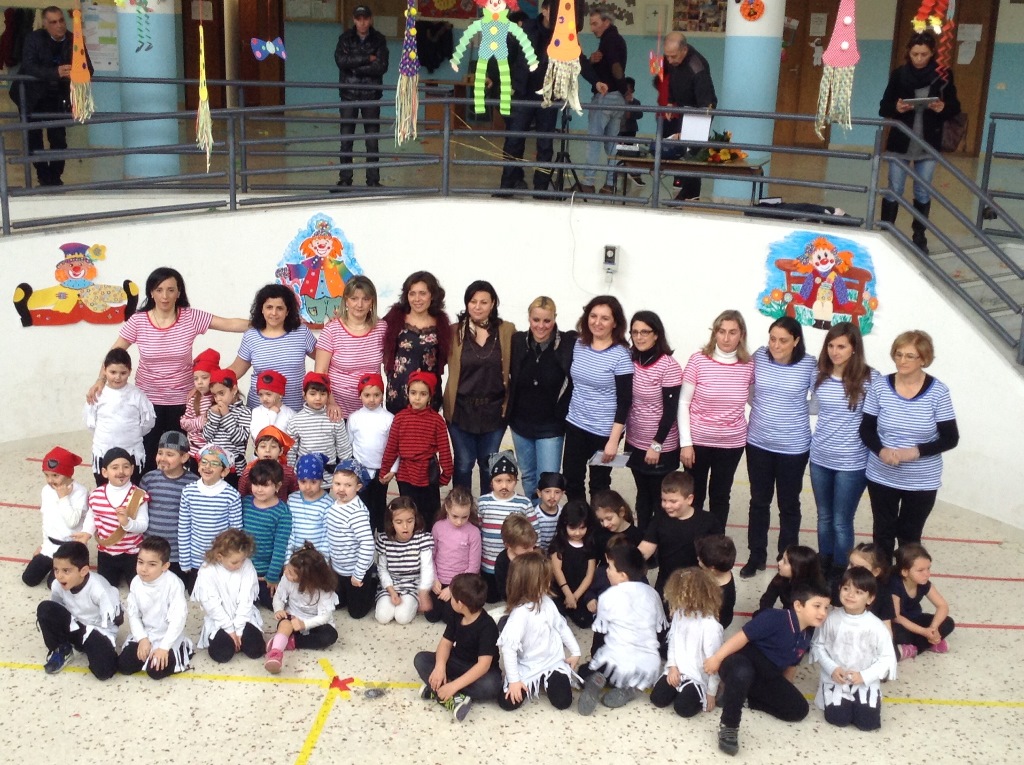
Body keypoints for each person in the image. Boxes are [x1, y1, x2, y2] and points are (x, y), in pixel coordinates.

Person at [87, 267, 249, 473]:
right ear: (151, 292)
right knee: (150, 455)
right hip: (148, 401)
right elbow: (115, 352)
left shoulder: (191, 317)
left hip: (182, 400)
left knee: (178, 456)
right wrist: (100, 380)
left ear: (179, 292)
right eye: (159, 289)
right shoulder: (138, 321)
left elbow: (229, 323)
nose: (165, 296)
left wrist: (269, 324)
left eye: (171, 290)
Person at [859, 330, 958, 559]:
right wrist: (881, 450)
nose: (902, 361)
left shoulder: (938, 392)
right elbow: (866, 429)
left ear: (923, 359)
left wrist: (916, 452)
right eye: (898, 354)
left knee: (910, 536)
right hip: (882, 475)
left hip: (922, 480)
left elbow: (950, 437)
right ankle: (881, 587)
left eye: (909, 356)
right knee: (882, 533)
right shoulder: (880, 387)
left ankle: (904, 588)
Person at [704, 581, 830, 756]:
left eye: (826, 608)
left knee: (799, 710)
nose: (822, 613)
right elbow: (742, 637)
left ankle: (742, 697)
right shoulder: (775, 618)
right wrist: (716, 659)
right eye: (817, 606)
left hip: (765, 675)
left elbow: (792, 665)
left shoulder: (807, 633)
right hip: (738, 664)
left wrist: (783, 690)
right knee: (743, 672)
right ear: (798, 606)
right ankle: (729, 726)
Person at [741, 317, 817, 579]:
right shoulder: (759, 357)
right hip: (758, 443)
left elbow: (819, 401)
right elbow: (748, 390)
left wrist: (792, 411)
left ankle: (787, 557)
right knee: (759, 501)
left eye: (783, 340)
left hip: (793, 448)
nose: (776, 344)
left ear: (796, 341)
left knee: (789, 504)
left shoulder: (809, 364)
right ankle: (756, 555)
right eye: (772, 338)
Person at [878, 31, 961, 254]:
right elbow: (883, 107)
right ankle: (887, 231)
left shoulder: (943, 76)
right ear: (909, 53)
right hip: (901, 141)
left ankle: (919, 234)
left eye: (924, 54)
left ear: (932, 53)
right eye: (915, 54)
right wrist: (896, 108)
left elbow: (955, 106)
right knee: (894, 188)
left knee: (923, 191)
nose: (919, 59)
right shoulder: (899, 75)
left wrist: (943, 108)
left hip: (928, 141)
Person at [677, 309, 753, 534]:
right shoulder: (698, 361)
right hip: (698, 442)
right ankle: (691, 540)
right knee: (694, 495)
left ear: (741, 335)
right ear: (715, 334)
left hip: (731, 445)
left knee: (721, 495)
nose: (727, 338)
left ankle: (715, 544)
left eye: (732, 332)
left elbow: (755, 399)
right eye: (722, 332)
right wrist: (686, 443)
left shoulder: (748, 365)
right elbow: (683, 404)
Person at [810, 323, 874, 579]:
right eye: (831, 345)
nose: (835, 351)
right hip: (820, 458)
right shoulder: (820, 375)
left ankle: (840, 569)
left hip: (852, 463)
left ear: (854, 348)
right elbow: (813, 407)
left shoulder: (870, 380)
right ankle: (824, 563)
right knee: (824, 516)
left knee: (840, 520)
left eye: (841, 346)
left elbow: (877, 420)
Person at [443, 281, 515, 494]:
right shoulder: (454, 332)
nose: (478, 306)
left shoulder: (506, 331)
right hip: (461, 410)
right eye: (473, 301)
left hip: (494, 411)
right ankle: (460, 515)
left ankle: (487, 513)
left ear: (493, 304)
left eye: (484, 302)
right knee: (464, 464)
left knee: (488, 466)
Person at [577, 544, 666, 714]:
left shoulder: (608, 596)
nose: (607, 571)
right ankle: (631, 687)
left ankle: (598, 678)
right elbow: (659, 629)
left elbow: (600, 634)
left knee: (586, 670)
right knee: (643, 673)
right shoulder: (652, 594)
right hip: (643, 663)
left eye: (610, 567)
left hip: (614, 660)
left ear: (623, 575)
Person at [563, 295, 632, 503]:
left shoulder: (621, 355)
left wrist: (613, 441)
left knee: (599, 486)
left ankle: (598, 530)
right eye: (593, 316)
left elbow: (625, 401)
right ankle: (579, 527)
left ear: (615, 323)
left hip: (604, 431)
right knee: (572, 480)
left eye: (604, 318)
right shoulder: (579, 345)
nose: (597, 322)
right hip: (576, 424)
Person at [811, 566, 897, 730]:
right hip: (836, 680)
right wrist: (832, 668)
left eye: (858, 592)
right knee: (838, 719)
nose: (850, 595)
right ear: (839, 590)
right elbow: (818, 645)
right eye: (846, 589)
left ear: (870, 598)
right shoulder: (830, 619)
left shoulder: (877, 626)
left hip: (865, 682)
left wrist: (864, 676)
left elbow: (886, 658)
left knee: (868, 724)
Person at [14, 6, 92, 187]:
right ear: (45, 24)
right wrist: (55, 72)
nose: (59, 26)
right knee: (34, 138)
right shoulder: (33, 39)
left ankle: (55, 177)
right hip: (32, 96)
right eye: (53, 22)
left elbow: (88, 67)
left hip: (58, 96)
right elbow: (29, 66)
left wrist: (76, 71)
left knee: (58, 138)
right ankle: (43, 175)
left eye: (61, 20)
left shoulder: (74, 39)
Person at [507, 296, 575, 500]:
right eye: (536, 320)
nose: (541, 326)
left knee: (549, 480)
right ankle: (533, 519)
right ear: (529, 318)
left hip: (551, 425)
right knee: (528, 476)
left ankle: (547, 522)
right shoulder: (518, 341)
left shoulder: (567, 343)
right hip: (521, 423)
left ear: (555, 318)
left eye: (547, 320)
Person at [497, 551, 581, 711]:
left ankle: (550, 679)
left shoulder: (548, 602)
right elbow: (509, 649)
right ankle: (530, 680)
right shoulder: (520, 614)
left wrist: (575, 651)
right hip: (528, 665)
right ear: (528, 583)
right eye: (545, 581)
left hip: (552, 661)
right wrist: (514, 681)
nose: (549, 584)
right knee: (506, 703)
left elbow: (561, 627)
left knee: (563, 702)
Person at [414, 573, 503, 722]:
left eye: (452, 597)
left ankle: (440, 689)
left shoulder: (487, 627)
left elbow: (483, 665)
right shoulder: (457, 614)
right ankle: (451, 695)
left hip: (479, 672)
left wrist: (454, 686)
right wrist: (440, 667)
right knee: (421, 660)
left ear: (460, 603)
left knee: (492, 685)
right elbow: (445, 643)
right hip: (457, 662)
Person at [625, 310, 682, 533]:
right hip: (635, 441)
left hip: (660, 446)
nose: (639, 337)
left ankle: (659, 546)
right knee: (643, 497)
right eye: (635, 332)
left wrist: (656, 444)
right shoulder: (629, 360)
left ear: (656, 334)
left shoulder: (668, 366)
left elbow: (670, 411)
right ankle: (643, 545)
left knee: (661, 501)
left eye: (645, 332)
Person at [379, 370, 454, 529]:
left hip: (428, 472)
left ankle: (429, 544)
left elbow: (445, 450)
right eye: (413, 393)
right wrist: (385, 469)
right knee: (408, 510)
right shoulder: (400, 418)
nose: (417, 398)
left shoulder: (437, 421)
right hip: (405, 473)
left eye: (423, 394)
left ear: (430, 396)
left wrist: (446, 474)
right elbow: (392, 448)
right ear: (407, 393)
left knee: (430, 513)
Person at [497, 0, 558, 193]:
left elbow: (577, 57)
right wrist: (505, 84)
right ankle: (508, 185)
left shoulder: (562, 33)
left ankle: (541, 188)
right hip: (523, 94)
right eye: (553, 10)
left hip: (548, 98)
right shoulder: (527, 27)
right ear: (545, 11)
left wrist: (596, 81)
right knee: (514, 141)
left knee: (545, 145)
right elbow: (507, 55)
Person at [36, 541, 120, 678]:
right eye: (56, 570)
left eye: (66, 571)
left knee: (105, 672)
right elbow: (57, 609)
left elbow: (116, 621)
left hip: (97, 632)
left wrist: (101, 645)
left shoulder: (100, 589)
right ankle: (62, 649)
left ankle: (100, 652)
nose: (59, 576)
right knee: (45, 609)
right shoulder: (57, 585)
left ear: (84, 571)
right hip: (75, 626)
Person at [228, 283, 316, 412]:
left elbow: (324, 358)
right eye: (269, 307)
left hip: (296, 411)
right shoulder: (251, 336)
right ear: (261, 309)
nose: (274, 313)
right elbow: (235, 370)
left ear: (288, 311)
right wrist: (205, 383)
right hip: (260, 412)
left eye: (280, 308)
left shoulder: (301, 332)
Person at [650, 567, 723, 718]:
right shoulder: (679, 614)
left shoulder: (710, 625)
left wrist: (711, 692)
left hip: (697, 677)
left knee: (683, 709)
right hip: (678, 670)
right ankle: (680, 688)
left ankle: (693, 692)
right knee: (657, 699)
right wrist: (672, 667)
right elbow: (673, 643)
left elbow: (715, 663)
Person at [118, 536, 194, 680]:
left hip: (168, 636)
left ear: (165, 566)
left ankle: (182, 649)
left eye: (152, 564)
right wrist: (142, 639)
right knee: (124, 666)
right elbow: (134, 614)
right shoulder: (135, 582)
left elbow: (178, 619)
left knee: (156, 672)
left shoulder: (174, 584)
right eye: (140, 562)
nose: (144, 569)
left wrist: (164, 647)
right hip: (147, 633)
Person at [314, 275, 387, 420]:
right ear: (346, 300)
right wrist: (330, 402)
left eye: (365, 299)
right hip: (337, 411)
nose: (359, 304)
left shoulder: (382, 328)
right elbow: (320, 372)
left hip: (370, 410)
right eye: (354, 298)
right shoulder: (332, 330)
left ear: (372, 301)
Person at [334, 4, 389, 189]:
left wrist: (353, 66)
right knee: (346, 140)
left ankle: (373, 181)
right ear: (354, 20)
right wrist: (366, 59)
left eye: (366, 18)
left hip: (371, 95)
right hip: (348, 95)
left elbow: (381, 66)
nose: (362, 22)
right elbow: (341, 61)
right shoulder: (345, 38)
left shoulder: (379, 40)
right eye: (359, 19)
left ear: (370, 19)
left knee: (372, 141)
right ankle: (345, 180)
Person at [658, 31, 717, 200]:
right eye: (667, 56)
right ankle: (688, 190)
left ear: (684, 50)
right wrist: (670, 101)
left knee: (691, 149)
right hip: (684, 106)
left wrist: (694, 128)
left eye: (673, 57)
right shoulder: (673, 58)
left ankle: (691, 192)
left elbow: (705, 103)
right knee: (682, 147)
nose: (669, 61)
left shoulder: (697, 67)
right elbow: (671, 80)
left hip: (701, 108)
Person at [191, 528, 265, 664]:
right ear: (220, 556)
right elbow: (212, 605)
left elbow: (246, 599)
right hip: (220, 621)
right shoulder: (207, 570)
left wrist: (240, 629)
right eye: (235, 562)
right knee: (222, 655)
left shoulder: (247, 566)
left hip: (244, 617)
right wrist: (230, 630)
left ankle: (240, 638)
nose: (240, 565)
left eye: (243, 560)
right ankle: (229, 640)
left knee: (257, 650)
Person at [381, 271, 451, 414]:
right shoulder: (395, 317)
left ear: (432, 295)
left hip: (428, 394)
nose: (417, 299)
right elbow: (371, 328)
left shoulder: (441, 322)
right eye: (412, 293)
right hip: (399, 392)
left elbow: (443, 358)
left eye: (422, 293)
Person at [84, 348, 154, 486]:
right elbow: (91, 423)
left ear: (130, 371)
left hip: (132, 452)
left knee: (132, 490)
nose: (117, 377)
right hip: (103, 451)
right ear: (104, 370)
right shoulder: (97, 394)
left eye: (123, 373)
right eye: (113, 372)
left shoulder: (137, 395)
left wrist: (130, 436)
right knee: (104, 489)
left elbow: (148, 423)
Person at [177, 445, 243, 593]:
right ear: (198, 465)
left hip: (220, 559)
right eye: (204, 462)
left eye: (214, 464)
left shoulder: (231, 495)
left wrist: (228, 557)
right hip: (195, 558)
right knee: (196, 594)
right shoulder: (188, 491)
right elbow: (184, 528)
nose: (207, 467)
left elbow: (235, 532)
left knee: (219, 593)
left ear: (224, 471)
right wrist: (185, 561)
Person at [266, 543, 340, 673]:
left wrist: (304, 624)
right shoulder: (286, 579)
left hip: (314, 621)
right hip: (293, 616)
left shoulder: (324, 589)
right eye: (287, 569)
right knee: (284, 624)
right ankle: (276, 653)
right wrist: (279, 609)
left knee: (330, 635)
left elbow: (325, 616)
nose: (285, 572)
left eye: (290, 573)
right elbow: (278, 597)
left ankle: (289, 642)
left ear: (306, 579)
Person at [638, 472, 716, 596]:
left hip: (697, 583)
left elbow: (716, 555)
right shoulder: (659, 519)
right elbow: (646, 548)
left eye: (673, 501)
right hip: (667, 582)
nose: (667, 505)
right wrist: (626, 561)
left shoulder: (708, 521)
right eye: (664, 500)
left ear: (689, 499)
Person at [577, 8, 628, 194]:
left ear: (607, 22)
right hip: (617, 99)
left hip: (606, 96)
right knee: (612, 143)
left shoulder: (609, 40)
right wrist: (623, 92)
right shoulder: (617, 39)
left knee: (594, 140)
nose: (592, 28)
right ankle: (610, 183)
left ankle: (588, 182)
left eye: (595, 23)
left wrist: (622, 87)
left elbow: (615, 68)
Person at [23, 446, 90, 588]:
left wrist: (64, 498)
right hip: (49, 546)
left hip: (69, 550)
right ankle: (52, 564)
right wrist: (43, 545)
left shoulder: (80, 492)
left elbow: (72, 522)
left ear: (67, 474)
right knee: (29, 579)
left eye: (55, 475)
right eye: (46, 475)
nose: (50, 480)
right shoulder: (46, 491)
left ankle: (76, 566)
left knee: (53, 585)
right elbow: (46, 521)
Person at [140, 431, 198, 586]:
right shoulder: (148, 479)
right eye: (160, 453)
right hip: (151, 548)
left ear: (184, 458)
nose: (163, 458)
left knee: (178, 586)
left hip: (178, 553)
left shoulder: (193, 483)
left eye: (170, 454)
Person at [87, 447, 150, 588]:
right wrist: (86, 533)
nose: (121, 472)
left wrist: (127, 523)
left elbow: (143, 525)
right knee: (106, 587)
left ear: (132, 469)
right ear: (104, 472)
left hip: (133, 553)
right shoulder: (96, 495)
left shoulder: (138, 495)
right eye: (114, 467)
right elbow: (92, 516)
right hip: (106, 553)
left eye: (126, 467)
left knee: (138, 586)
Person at [478, 451, 538, 598]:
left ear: (516, 481)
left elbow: (535, 533)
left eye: (509, 481)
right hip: (488, 564)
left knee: (515, 596)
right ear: (491, 481)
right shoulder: (483, 502)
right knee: (491, 597)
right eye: (499, 481)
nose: (504, 486)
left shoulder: (524, 503)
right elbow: (478, 531)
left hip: (515, 564)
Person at [326, 459, 376, 619]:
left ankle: (373, 583)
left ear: (358, 487)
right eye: (337, 483)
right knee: (338, 604)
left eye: (348, 485)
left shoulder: (357, 513)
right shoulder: (334, 506)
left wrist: (359, 573)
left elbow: (367, 544)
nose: (341, 489)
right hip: (338, 568)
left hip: (356, 570)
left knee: (357, 613)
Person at [346, 372, 394, 532]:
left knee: (379, 505)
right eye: (367, 395)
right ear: (360, 396)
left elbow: (394, 448)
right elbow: (349, 445)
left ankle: (380, 539)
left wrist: (393, 470)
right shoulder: (354, 418)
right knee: (362, 505)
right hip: (361, 471)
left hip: (382, 472)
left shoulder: (389, 418)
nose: (372, 399)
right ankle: (362, 536)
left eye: (376, 395)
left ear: (382, 395)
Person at [242, 459, 293, 609]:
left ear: (277, 486)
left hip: (266, 573)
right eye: (256, 484)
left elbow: (280, 547)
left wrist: (272, 576)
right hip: (243, 569)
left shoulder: (282, 512)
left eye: (265, 485)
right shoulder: (245, 503)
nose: (259, 489)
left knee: (274, 605)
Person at [374, 497, 434, 624]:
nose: (405, 526)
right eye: (399, 522)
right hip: (390, 584)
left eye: (410, 521)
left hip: (412, 585)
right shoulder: (384, 540)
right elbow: (382, 568)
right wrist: (391, 590)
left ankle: (412, 602)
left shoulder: (422, 539)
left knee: (402, 618)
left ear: (416, 520)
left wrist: (423, 592)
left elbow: (427, 568)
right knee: (382, 617)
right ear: (391, 523)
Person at [891, 542, 955, 660]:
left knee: (948, 622)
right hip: (899, 624)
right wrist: (923, 632)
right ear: (905, 571)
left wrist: (933, 628)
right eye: (920, 570)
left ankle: (914, 647)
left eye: (928, 568)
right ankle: (925, 644)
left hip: (916, 619)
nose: (927, 574)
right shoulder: (895, 584)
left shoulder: (924, 584)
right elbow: (896, 617)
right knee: (898, 634)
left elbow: (942, 606)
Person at [429, 486, 482, 624]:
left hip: (461, 583)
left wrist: (453, 589)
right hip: (440, 581)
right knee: (431, 615)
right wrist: (434, 579)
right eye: (455, 516)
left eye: (464, 517)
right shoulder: (438, 527)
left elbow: (473, 567)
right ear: (447, 507)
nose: (459, 522)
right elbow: (431, 556)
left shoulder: (473, 532)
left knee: (450, 617)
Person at [287, 372, 353, 477]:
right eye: (313, 394)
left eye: (323, 394)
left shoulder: (335, 419)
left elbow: (343, 447)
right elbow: (291, 450)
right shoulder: (295, 420)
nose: (318, 398)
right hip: (304, 475)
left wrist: (347, 469)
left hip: (328, 476)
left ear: (328, 395)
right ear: (304, 395)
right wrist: (290, 473)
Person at [548, 499, 598, 628]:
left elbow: (589, 574)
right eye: (572, 528)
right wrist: (568, 594)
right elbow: (557, 570)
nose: (577, 533)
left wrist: (575, 596)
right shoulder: (558, 543)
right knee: (555, 616)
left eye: (582, 528)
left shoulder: (590, 545)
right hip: (561, 588)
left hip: (581, 589)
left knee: (585, 621)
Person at [202, 368, 250, 480]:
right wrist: (214, 417)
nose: (218, 399)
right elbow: (206, 436)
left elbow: (240, 438)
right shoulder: (213, 411)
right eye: (214, 395)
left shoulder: (245, 412)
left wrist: (226, 416)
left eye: (221, 393)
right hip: (213, 464)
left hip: (234, 468)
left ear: (234, 389)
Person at [753, 544, 823, 617]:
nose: (779, 563)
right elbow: (767, 600)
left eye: (785, 562)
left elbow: (807, 620)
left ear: (797, 569)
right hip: (788, 614)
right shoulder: (781, 578)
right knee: (758, 615)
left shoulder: (812, 591)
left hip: (803, 621)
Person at [286, 453, 333, 561]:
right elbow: (289, 531)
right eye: (303, 481)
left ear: (321, 481)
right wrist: (287, 560)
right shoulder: (292, 500)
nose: (308, 487)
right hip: (294, 557)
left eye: (313, 482)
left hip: (316, 559)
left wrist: (322, 562)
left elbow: (327, 537)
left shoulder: (328, 504)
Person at [843, 543, 895, 634]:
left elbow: (886, 627)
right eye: (851, 565)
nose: (854, 571)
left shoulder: (883, 593)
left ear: (876, 572)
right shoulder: (841, 586)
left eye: (860, 568)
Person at [181, 348, 220, 466]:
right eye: (196, 379)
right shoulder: (194, 399)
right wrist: (199, 422)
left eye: (204, 377)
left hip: (215, 454)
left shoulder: (219, 399)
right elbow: (184, 423)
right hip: (195, 453)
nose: (200, 382)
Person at [238, 426, 299, 501]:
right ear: (256, 450)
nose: (267, 450)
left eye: (273, 447)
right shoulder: (248, 473)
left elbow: (295, 494)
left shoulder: (288, 473)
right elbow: (241, 495)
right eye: (263, 446)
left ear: (281, 451)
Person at [492, 513, 538, 603]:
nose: (531, 550)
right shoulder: (502, 561)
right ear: (508, 545)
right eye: (525, 548)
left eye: (532, 545)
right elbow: (503, 591)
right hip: (515, 602)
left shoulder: (535, 554)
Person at [696, 534, 737, 628]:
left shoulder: (719, 594)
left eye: (701, 559)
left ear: (712, 568)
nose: (698, 559)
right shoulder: (724, 570)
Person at [247, 370, 296, 437]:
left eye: (268, 394)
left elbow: (293, 438)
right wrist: (272, 414)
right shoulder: (257, 412)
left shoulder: (290, 413)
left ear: (280, 394)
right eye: (260, 394)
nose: (264, 398)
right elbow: (257, 435)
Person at [533, 471, 566, 552]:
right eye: (547, 491)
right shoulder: (534, 515)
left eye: (557, 492)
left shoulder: (563, 513)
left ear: (562, 494)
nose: (552, 496)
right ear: (539, 493)